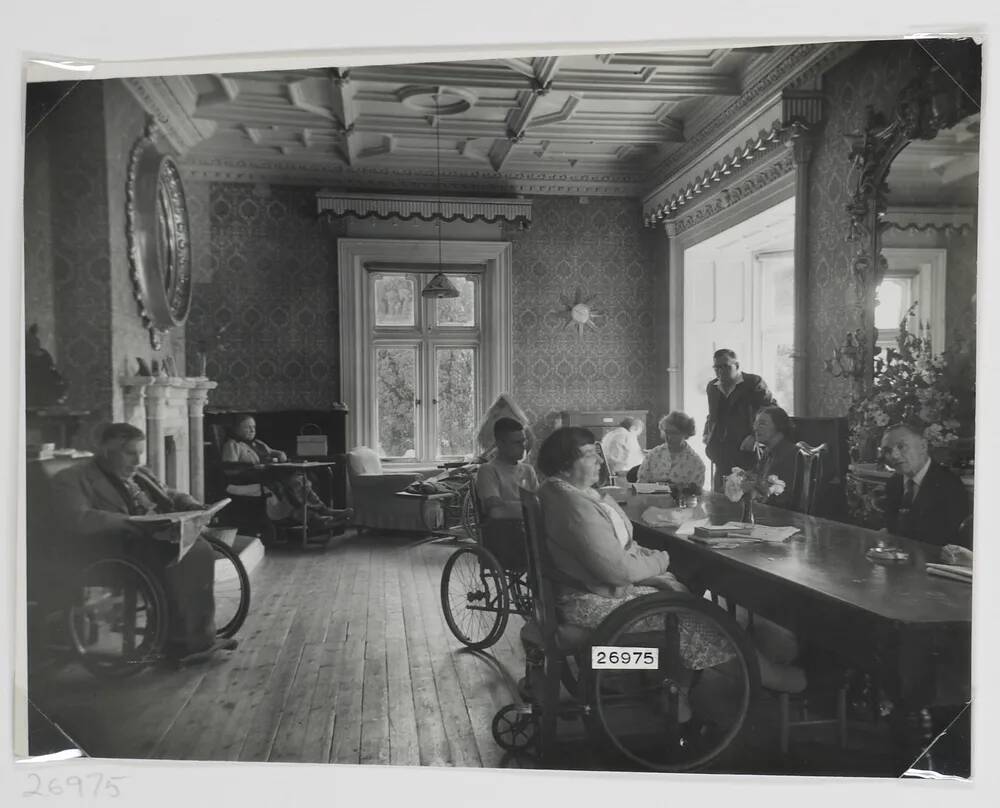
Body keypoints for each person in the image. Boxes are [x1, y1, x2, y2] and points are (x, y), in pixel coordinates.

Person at [536, 426, 806, 694]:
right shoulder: (574, 507)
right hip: (594, 604)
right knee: (700, 617)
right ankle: (769, 678)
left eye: (597, 452)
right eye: (588, 455)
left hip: (585, 595)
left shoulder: (565, 494)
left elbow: (617, 554)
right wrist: (661, 561)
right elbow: (617, 570)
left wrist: (652, 569)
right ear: (564, 466)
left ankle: (681, 689)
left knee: (685, 597)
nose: (598, 459)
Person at [51, 422, 234, 661]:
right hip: (114, 550)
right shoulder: (74, 478)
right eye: (130, 453)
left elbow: (168, 493)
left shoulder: (139, 472)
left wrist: (191, 505)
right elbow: (80, 518)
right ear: (106, 452)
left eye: (140, 452)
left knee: (200, 549)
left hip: (149, 538)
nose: (137, 460)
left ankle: (198, 636)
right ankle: (180, 642)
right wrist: (131, 521)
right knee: (181, 556)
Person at [221, 414, 351, 532]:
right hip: (254, 478)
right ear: (236, 429)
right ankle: (317, 516)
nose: (252, 430)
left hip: (269, 475)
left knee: (299, 479)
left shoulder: (258, 443)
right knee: (293, 483)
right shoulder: (232, 445)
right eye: (247, 427)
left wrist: (279, 454)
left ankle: (320, 513)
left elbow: (274, 452)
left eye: (253, 427)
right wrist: (254, 467)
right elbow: (230, 469)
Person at [880, 422, 970, 549]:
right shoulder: (893, 483)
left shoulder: (949, 484)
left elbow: (949, 543)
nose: (894, 456)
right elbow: (892, 530)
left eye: (901, 446)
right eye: (887, 450)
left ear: (923, 446)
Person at [703, 349, 776, 492]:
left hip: (746, 451)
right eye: (717, 367)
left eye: (726, 366)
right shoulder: (712, 387)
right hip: (721, 452)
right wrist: (707, 433)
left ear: (737, 365)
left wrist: (755, 436)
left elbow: (771, 411)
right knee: (720, 495)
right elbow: (712, 415)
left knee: (746, 495)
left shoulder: (753, 383)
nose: (721, 371)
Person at [475, 417, 538, 570]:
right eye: (516, 442)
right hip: (504, 536)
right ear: (500, 444)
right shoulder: (488, 470)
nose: (523, 447)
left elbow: (539, 501)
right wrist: (531, 507)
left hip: (528, 529)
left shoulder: (528, 470)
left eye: (523, 441)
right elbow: (495, 508)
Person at [744, 406, 798, 509]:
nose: (755, 428)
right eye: (756, 424)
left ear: (779, 426)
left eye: (762, 424)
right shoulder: (767, 452)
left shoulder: (791, 454)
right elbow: (755, 478)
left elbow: (783, 498)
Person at [636, 411, 706, 489]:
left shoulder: (696, 463)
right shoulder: (653, 454)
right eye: (667, 432)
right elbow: (641, 483)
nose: (669, 437)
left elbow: (696, 493)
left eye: (674, 433)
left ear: (686, 433)